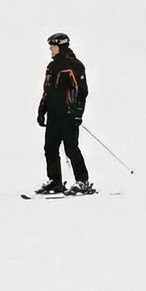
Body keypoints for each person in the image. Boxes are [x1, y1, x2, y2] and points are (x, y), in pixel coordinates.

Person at [37, 32, 92, 195]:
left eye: (52, 45)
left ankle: (82, 181)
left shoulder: (74, 65)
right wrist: (42, 111)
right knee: (50, 148)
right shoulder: (51, 66)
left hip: (68, 114)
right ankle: (55, 181)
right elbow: (47, 90)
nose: (50, 48)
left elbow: (82, 91)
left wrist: (78, 113)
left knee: (71, 148)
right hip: (53, 115)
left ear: (60, 46)